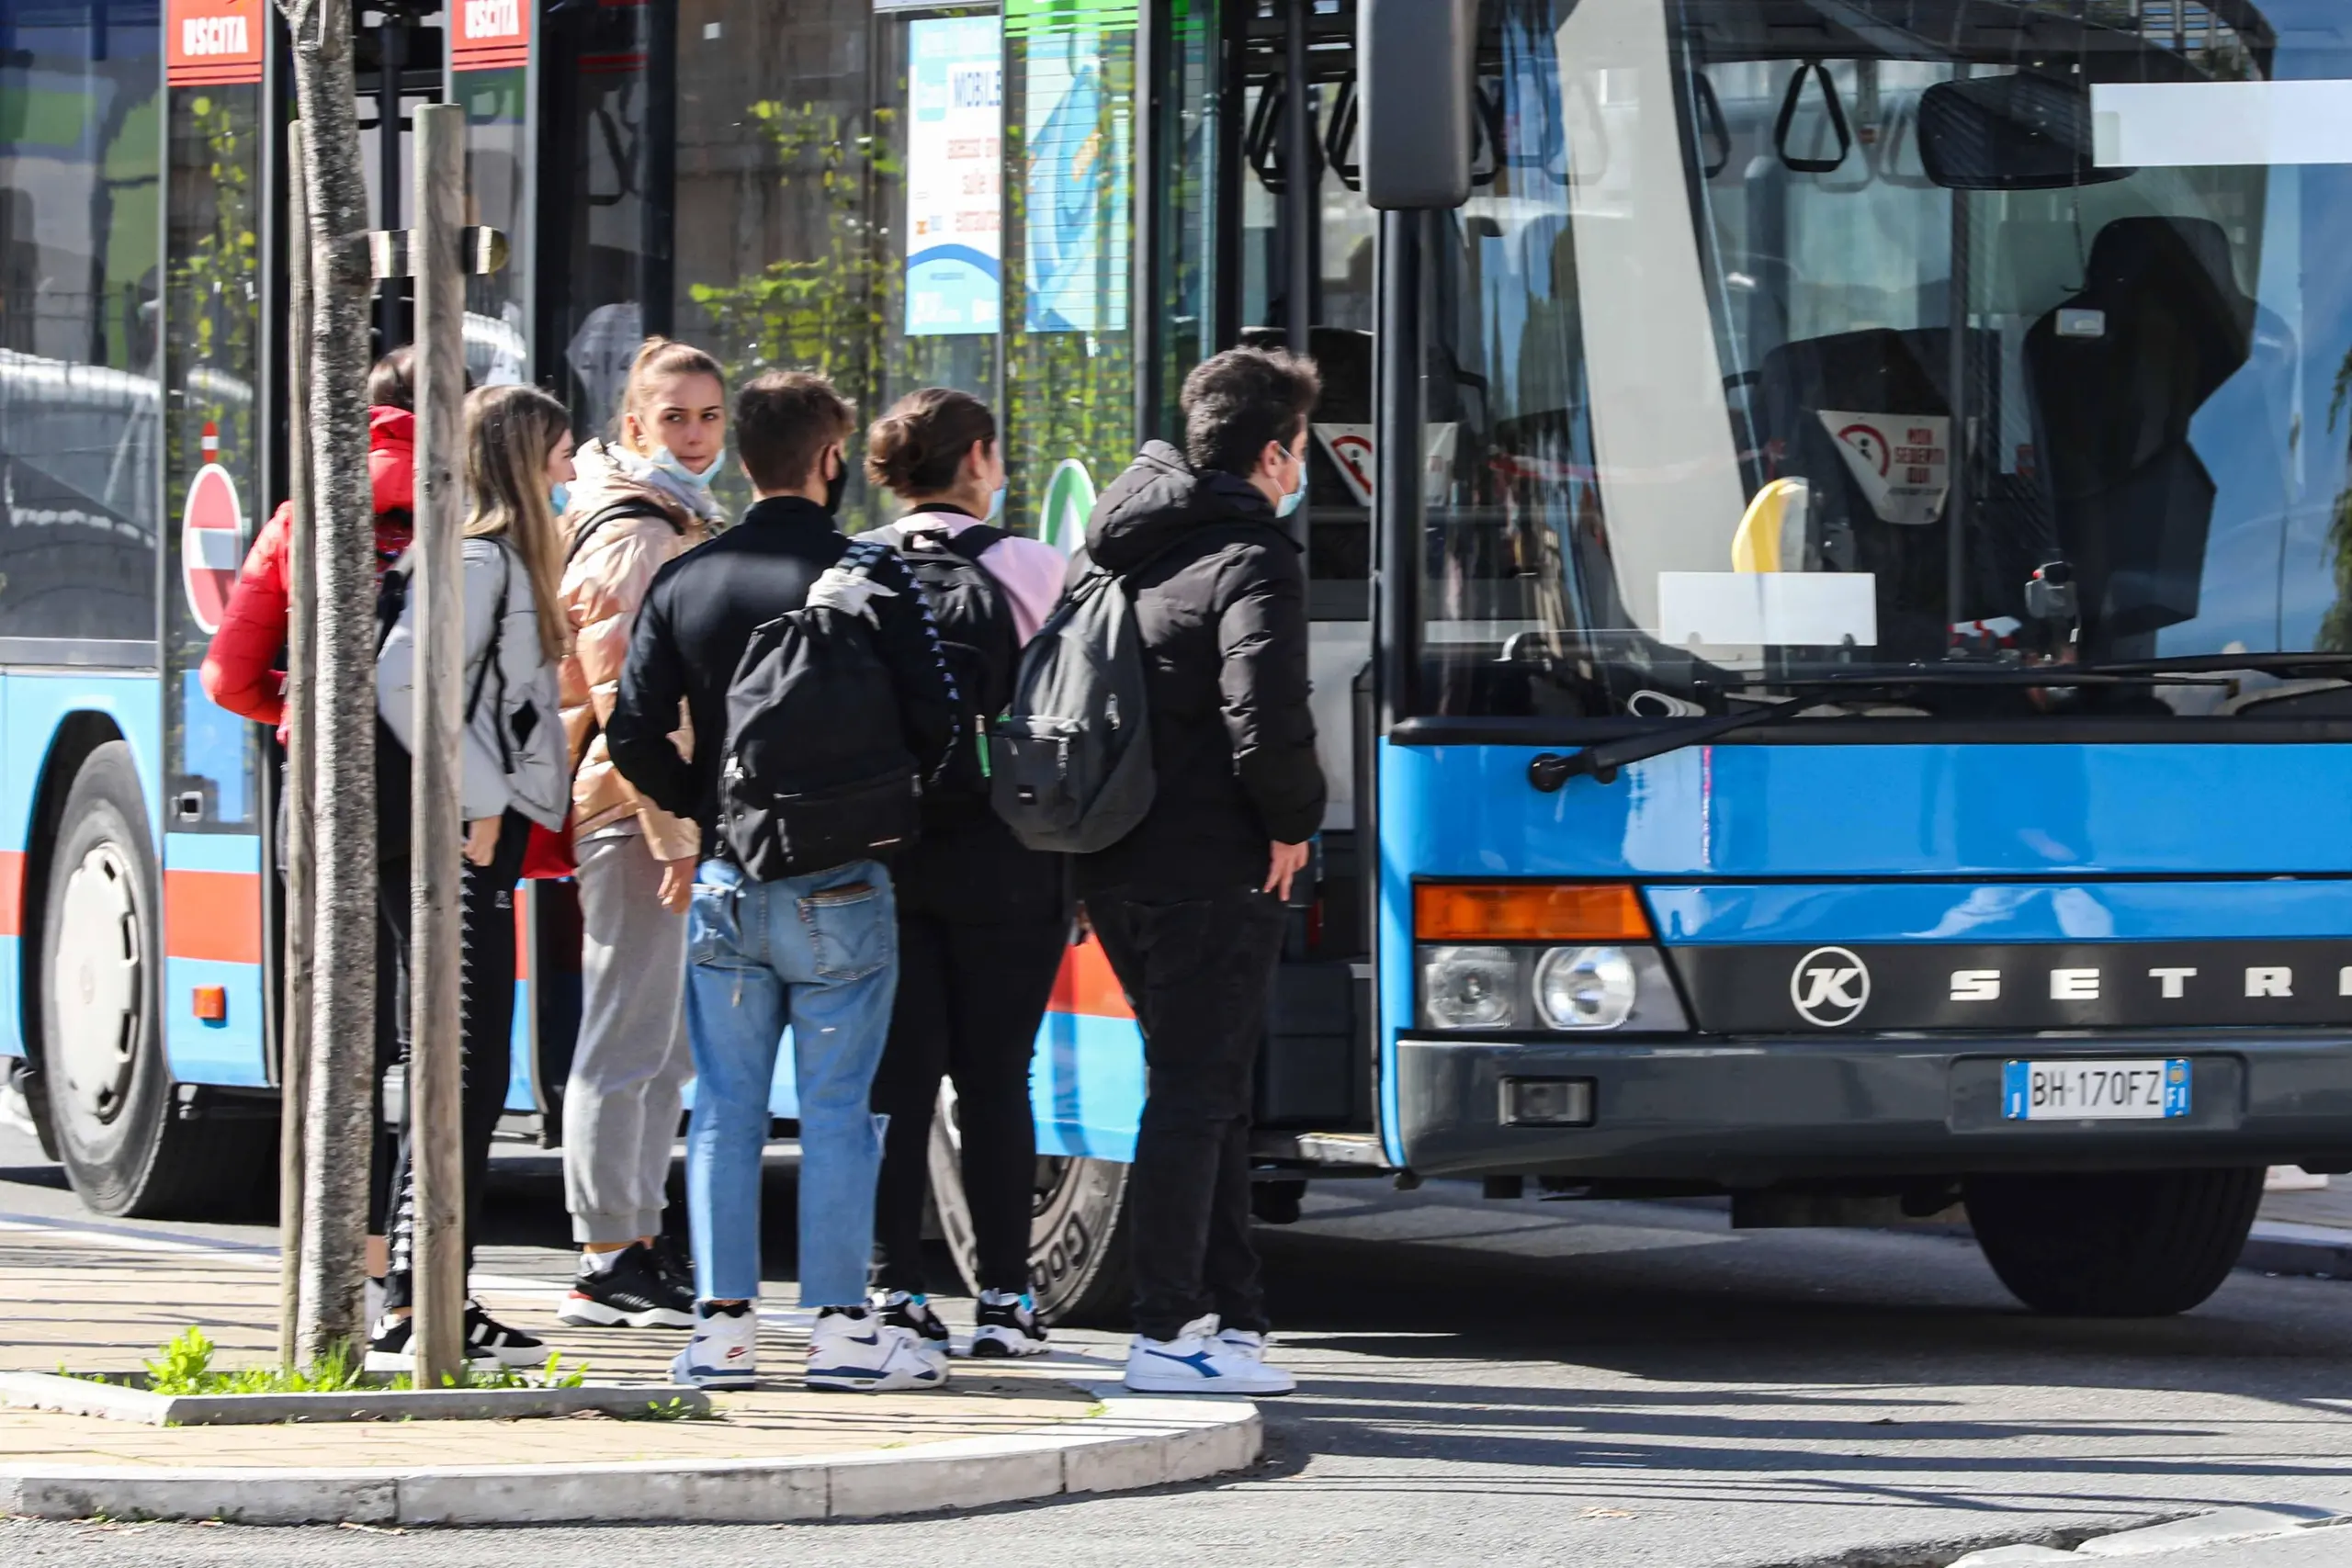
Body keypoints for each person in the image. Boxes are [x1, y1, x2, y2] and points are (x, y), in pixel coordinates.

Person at [606, 370, 959, 1393]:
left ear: (741, 454)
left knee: (723, 1107)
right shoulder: (870, 577)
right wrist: (880, 810)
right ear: (829, 458)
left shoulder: (686, 579)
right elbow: (941, 726)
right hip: (843, 884)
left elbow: (630, 729)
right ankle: (843, 1331)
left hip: (726, 878)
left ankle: (721, 1330)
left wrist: (705, 808)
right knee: (840, 1107)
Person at [1077, 348, 1327, 1397]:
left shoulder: (1125, 550)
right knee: (1192, 1092)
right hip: (1212, 865)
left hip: (1113, 858)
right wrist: (1293, 822)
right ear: (1274, 455)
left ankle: (1231, 1319)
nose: (1302, 468)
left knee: (1208, 1087)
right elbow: (1262, 716)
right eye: (1303, 450)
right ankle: (1165, 1327)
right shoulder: (1252, 558)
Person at [200, 347, 425, 1314]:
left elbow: (228, 676)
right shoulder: (474, 505)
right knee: (440, 1039)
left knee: (343, 1034)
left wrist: (301, 712)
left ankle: (349, 1271)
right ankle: (419, 1269)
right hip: (434, 787)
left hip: (327, 783)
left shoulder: (304, 513)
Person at [368, 384, 577, 1371]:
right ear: (522, 464)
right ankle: (416, 1298)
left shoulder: (484, 559)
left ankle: (433, 1290)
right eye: (558, 458)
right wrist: (480, 799)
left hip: (466, 840)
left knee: (470, 1070)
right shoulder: (480, 560)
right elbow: (407, 680)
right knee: (461, 1070)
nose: (571, 477)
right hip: (456, 844)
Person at [860, 389, 1068, 1359]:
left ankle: (892, 1287)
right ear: (978, 459)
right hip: (1010, 855)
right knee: (996, 1080)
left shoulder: (850, 567)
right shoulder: (1038, 570)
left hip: (884, 852)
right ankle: (1005, 1300)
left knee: (894, 1084)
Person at [552, 339, 727, 1329]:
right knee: (626, 1034)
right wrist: (670, 829)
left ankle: (634, 1239)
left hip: (658, 814)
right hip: (631, 814)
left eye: (708, 417)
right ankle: (606, 1252)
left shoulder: (675, 517)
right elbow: (627, 701)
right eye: (675, 419)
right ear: (633, 427)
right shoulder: (634, 532)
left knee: (660, 1045)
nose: (695, 435)